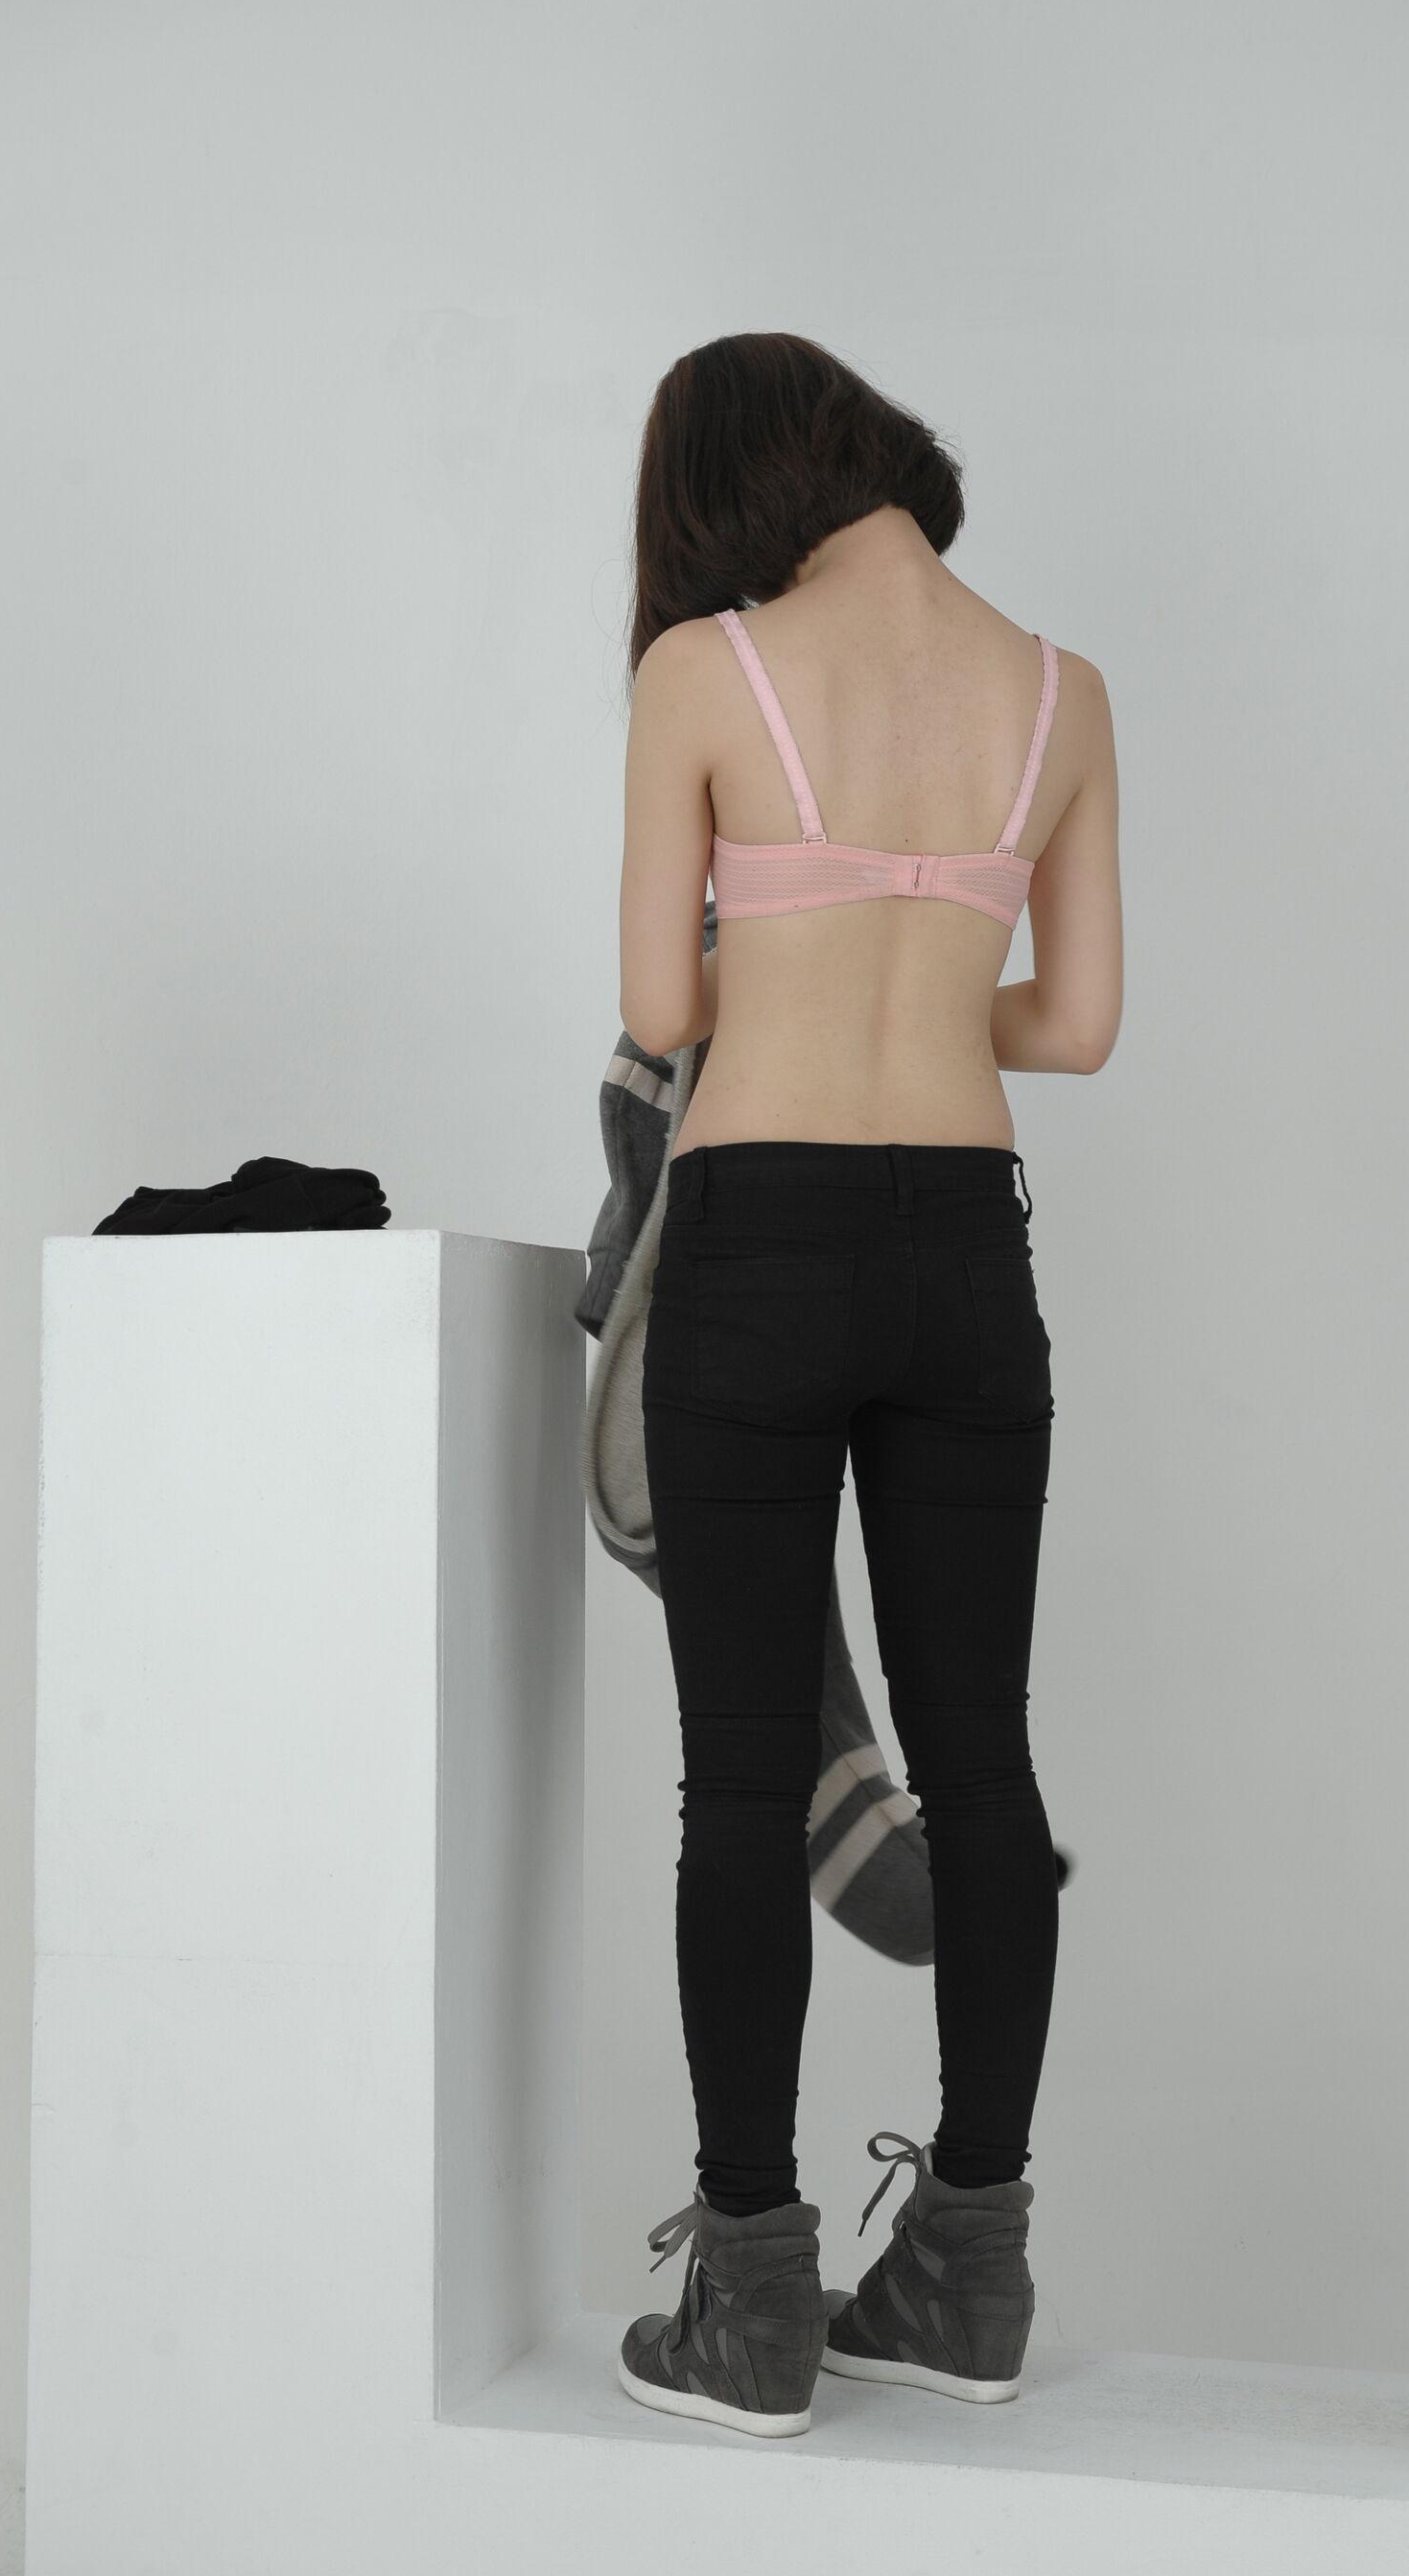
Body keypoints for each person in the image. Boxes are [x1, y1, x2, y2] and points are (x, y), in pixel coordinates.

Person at [613, 333, 1122, 2438]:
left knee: (745, 1780)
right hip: (968, 1251)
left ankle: (751, 2299)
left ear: (731, 484)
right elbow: (1073, 1025)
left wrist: (804, 958)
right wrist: (922, 961)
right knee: (982, 1762)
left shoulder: (705, 669)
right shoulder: (1062, 689)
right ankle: (971, 2270)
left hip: (765, 1236)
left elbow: (661, 1003)